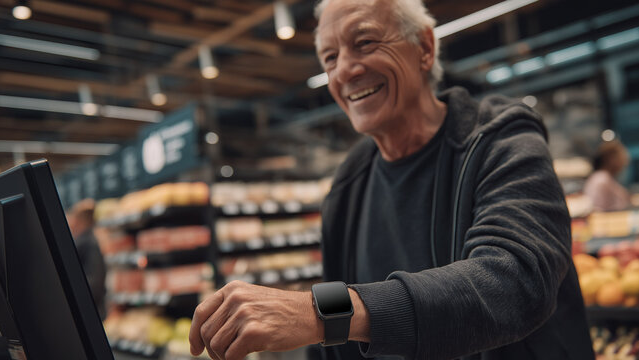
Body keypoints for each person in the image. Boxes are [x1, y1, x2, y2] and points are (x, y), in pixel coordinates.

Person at [189, 0, 594, 359]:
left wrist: (322, 311)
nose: (344, 70)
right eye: (329, 58)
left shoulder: (499, 139)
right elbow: (339, 346)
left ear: (424, 48)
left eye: (365, 43)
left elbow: (514, 280)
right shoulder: (347, 187)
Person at [66, 198, 107, 319]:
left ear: (79, 220)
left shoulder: (88, 243)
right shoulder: (84, 241)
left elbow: (95, 280)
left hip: (91, 310)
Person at [583, 139, 631, 212]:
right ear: (611, 159)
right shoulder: (602, 178)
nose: (624, 161)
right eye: (621, 157)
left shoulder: (601, 176)